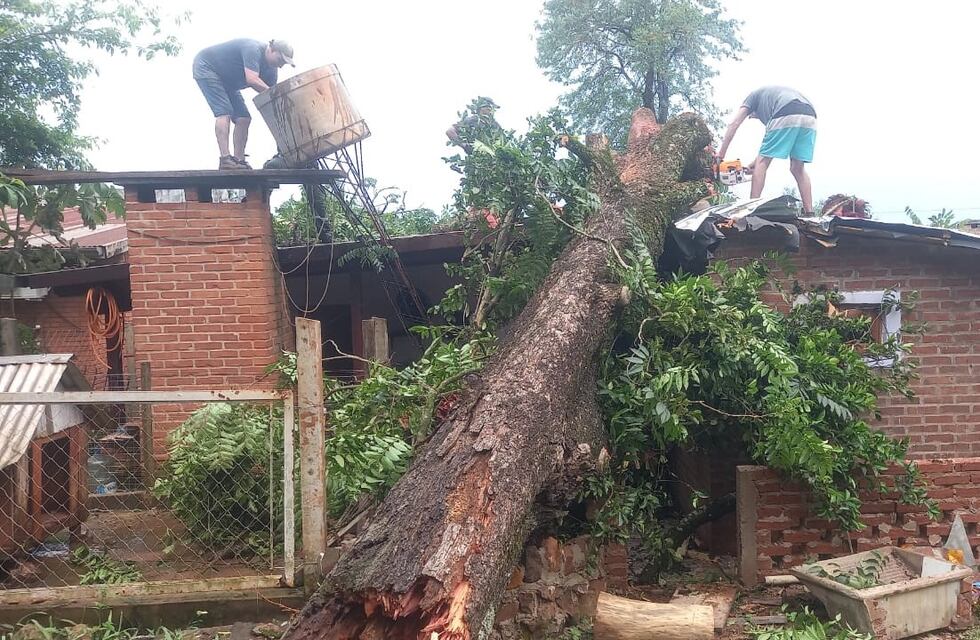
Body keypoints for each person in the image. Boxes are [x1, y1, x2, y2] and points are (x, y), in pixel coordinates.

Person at [193, 39, 295, 170]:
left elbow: (271, 99)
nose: (280, 65)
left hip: (228, 81)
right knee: (224, 112)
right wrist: (276, 94)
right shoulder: (253, 49)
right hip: (207, 67)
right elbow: (252, 79)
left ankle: (239, 160)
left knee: (244, 118)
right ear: (271, 49)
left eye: (284, 63)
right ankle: (225, 159)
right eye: (280, 60)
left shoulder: (272, 71)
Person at [716, 86, 817, 214]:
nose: (754, 117)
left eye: (752, 116)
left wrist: (720, 156)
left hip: (786, 109)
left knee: (762, 162)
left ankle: (752, 208)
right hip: (810, 115)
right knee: (798, 168)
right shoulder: (770, 99)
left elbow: (734, 124)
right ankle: (809, 213)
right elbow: (769, 147)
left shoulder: (752, 98)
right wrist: (753, 165)